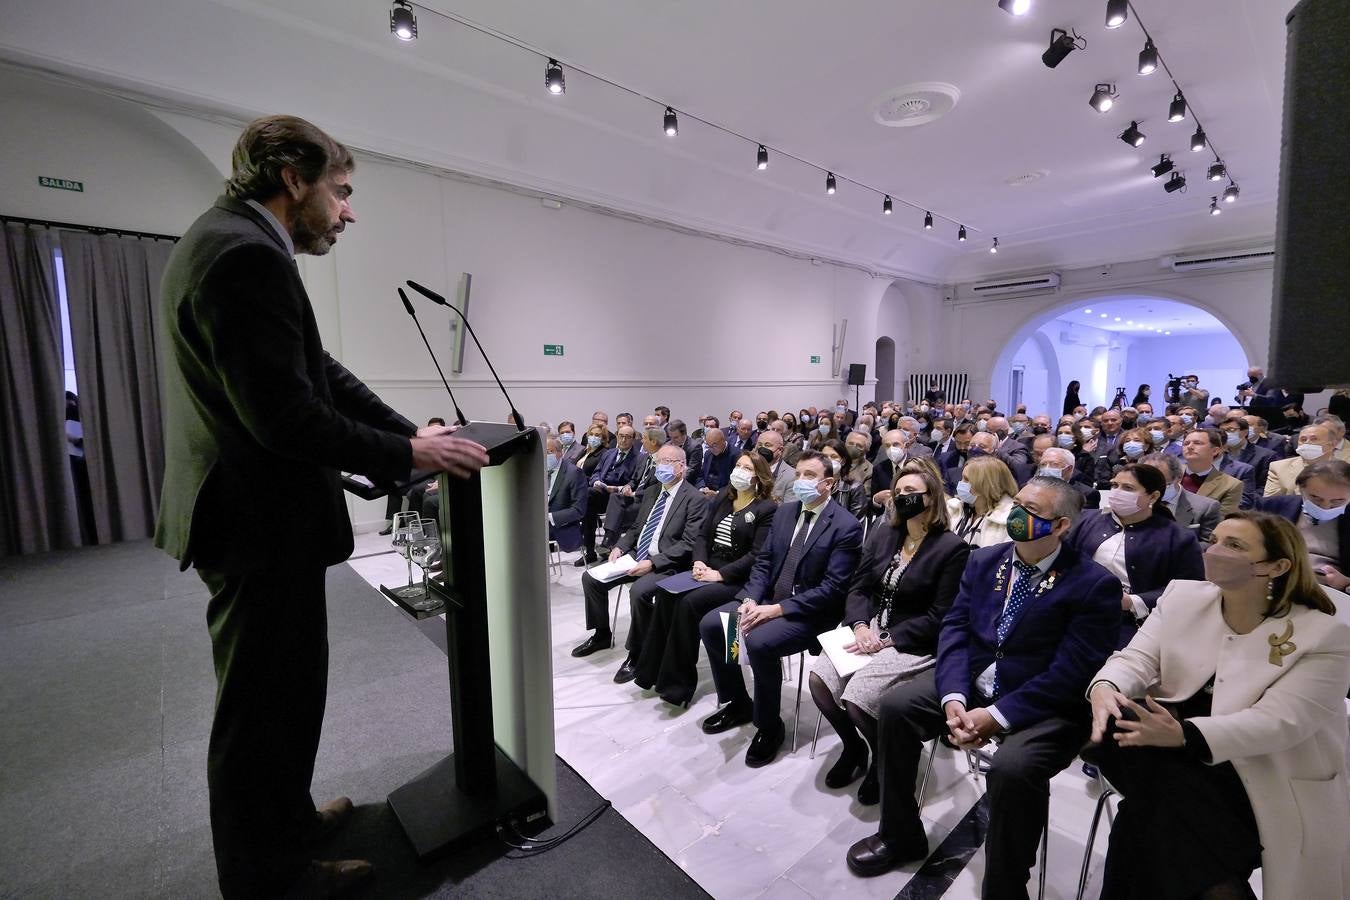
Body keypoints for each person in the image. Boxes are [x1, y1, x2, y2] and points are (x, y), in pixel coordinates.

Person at [155, 115, 490, 897]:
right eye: (340, 192)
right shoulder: (243, 255)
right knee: (259, 712)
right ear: (294, 180)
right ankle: (265, 878)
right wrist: (411, 455)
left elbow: (319, 370)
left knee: (284, 698)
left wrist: (409, 433)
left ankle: (290, 826)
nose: (349, 211)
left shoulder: (234, 241)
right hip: (256, 527)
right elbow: (287, 418)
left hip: (254, 522)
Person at [846, 477, 1121, 891]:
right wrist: (954, 695)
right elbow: (955, 628)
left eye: (1032, 511)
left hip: (1043, 701)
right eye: (1018, 504)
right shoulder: (985, 561)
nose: (1017, 515)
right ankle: (900, 834)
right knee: (897, 706)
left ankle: (1005, 884)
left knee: (1013, 768)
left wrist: (996, 716)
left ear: (1061, 526)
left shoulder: (1093, 583)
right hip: (975, 682)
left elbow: (1073, 671)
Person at [1086, 513, 1350, 900]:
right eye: (1216, 539)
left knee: (1142, 819)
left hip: (1261, 774)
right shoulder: (1183, 598)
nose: (1215, 551)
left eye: (1235, 546)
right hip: (1179, 768)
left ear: (1276, 566)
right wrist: (1106, 686)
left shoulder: (1327, 630)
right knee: (1124, 731)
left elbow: (1281, 722)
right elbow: (1135, 660)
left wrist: (1183, 736)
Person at [810, 460, 970, 805]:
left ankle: (884, 762)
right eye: (898, 492)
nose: (902, 497)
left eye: (911, 492)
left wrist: (887, 639)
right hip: (871, 627)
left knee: (858, 697)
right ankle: (854, 748)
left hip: (912, 640)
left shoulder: (951, 548)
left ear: (932, 498)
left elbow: (940, 615)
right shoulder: (886, 533)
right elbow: (859, 586)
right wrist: (862, 625)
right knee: (820, 680)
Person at [697, 451, 864, 767]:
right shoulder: (785, 512)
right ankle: (738, 701)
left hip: (810, 613)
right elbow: (763, 563)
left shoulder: (846, 526)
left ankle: (769, 726)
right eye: (798, 474)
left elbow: (832, 589)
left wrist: (777, 610)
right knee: (712, 625)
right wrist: (750, 599)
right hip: (767, 601)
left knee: (759, 642)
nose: (801, 481)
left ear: (828, 483)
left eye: (810, 476)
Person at [633, 450, 777, 705]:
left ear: (759, 477)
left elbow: (757, 555)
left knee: (688, 604)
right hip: (706, 568)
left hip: (736, 578)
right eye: (738, 466)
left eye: (747, 468)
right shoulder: (724, 496)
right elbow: (701, 536)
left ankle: (678, 684)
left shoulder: (767, 509)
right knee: (666, 595)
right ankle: (651, 672)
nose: (739, 472)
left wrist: (720, 574)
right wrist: (699, 561)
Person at [572, 444, 708, 665]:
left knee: (639, 592)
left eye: (665, 462)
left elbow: (688, 544)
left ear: (681, 467)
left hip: (668, 563)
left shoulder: (695, 499)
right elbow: (637, 527)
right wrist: (620, 546)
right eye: (657, 462)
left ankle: (638, 653)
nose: (659, 467)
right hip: (637, 554)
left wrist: (652, 564)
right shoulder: (653, 491)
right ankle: (602, 634)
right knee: (591, 578)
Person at [1064, 463, 1204, 648]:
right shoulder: (1087, 519)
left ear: (1153, 496)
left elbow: (1187, 590)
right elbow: (1062, 560)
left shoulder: (1177, 537)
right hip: (1074, 605)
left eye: (1128, 488)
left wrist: (1132, 601)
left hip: (1132, 620)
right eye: (1115, 485)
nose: (1117, 492)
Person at [1255, 460, 1350, 591]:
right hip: (1270, 581)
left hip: (1329, 589)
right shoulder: (1271, 507)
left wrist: (1346, 584)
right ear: (1301, 489)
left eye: (1338, 501)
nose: (1325, 506)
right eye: (1316, 498)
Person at [574, 424, 640, 565]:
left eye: (627, 437)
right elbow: (596, 473)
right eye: (621, 436)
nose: (623, 440)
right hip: (603, 492)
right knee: (587, 497)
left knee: (604, 501)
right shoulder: (609, 454)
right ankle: (590, 550)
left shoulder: (638, 457)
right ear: (616, 436)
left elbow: (635, 481)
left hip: (621, 495)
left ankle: (607, 540)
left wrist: (618, 488)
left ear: (633, 439)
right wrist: (597, 481)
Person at [1143, 451, 1221, 544]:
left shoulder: (1206, 507)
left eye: (1161, 484)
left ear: (1179, 478)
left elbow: (1208, 543)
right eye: (1146, 483)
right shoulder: (1131, 500)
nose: (1153, 490)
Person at [947, 455, 1018, 548]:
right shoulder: (953, 507)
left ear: (985, 486)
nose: (960, 483)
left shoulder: (1010, 520)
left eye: (966, 479)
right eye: (962, 478)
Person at [1180, 428, 1244, 517]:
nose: (1189, 446)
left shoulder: (1231, 485)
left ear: (1215, 451)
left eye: (1197, 443)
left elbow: (1221, 521)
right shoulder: (1167, 473)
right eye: (1186, 443)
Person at [545, 435, 587, 552]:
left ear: (560, 452)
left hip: (561, 526)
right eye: (543, 452)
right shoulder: (538, 471)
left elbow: (579, 510)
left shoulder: (574, 473)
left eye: (549, 452)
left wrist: (549, 517)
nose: (546, 456)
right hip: (538, 526)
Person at [821, 438, 867, 519]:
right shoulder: (814, 483)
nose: (828, 460)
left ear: (843, 461)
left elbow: (856, 521)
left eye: (834, 457)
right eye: (824, 457)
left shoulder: (855, 487)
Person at [755, 428, 797, 502]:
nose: (762, 448)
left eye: (767, 445)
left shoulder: (792, 476)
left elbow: (788, 509)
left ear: (780, 450)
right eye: (760, 445)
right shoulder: (751, 468)